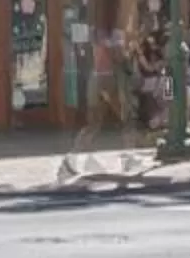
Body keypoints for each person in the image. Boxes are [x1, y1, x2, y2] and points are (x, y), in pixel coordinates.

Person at [60, 22, 142, 182]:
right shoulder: (113, 32)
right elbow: (119, 58)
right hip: (109, 79)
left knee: (94, 123)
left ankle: (71, 160)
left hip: (96, 78)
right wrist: (130, 51)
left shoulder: (95, 31)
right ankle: (128, 158)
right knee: (127, 119)